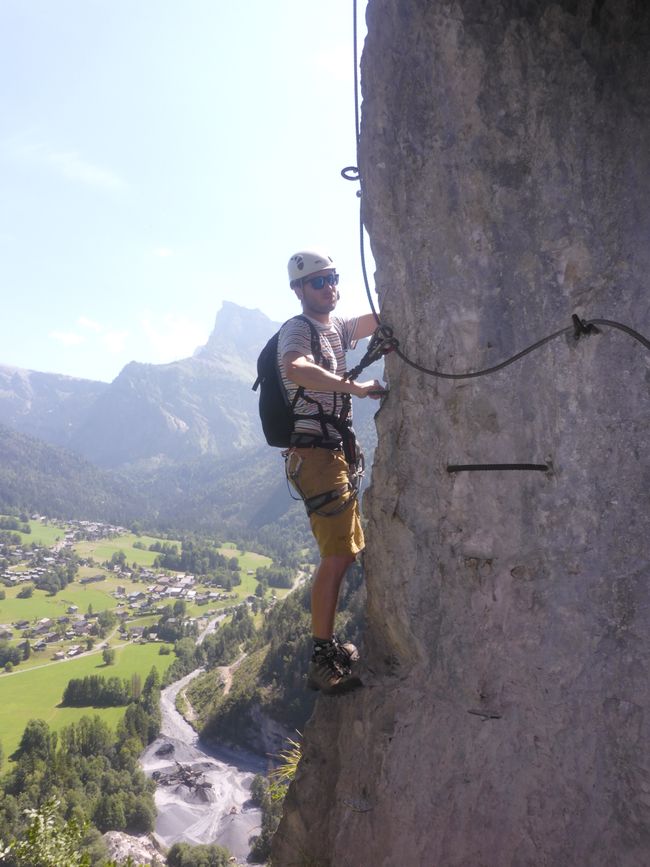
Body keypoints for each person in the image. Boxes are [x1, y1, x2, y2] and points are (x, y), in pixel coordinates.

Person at [279, 249, 384, 695]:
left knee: (346, 550)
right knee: (338, 555)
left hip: (333, 453)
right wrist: (353, 387)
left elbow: (377, 320)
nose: (329, 287)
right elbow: (296, 368)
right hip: (316, 456)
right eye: (318, 282)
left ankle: (328, 646)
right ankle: (321, 657)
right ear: (299, 290)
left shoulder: (338, 328)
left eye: (332, 278)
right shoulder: (297, 329)